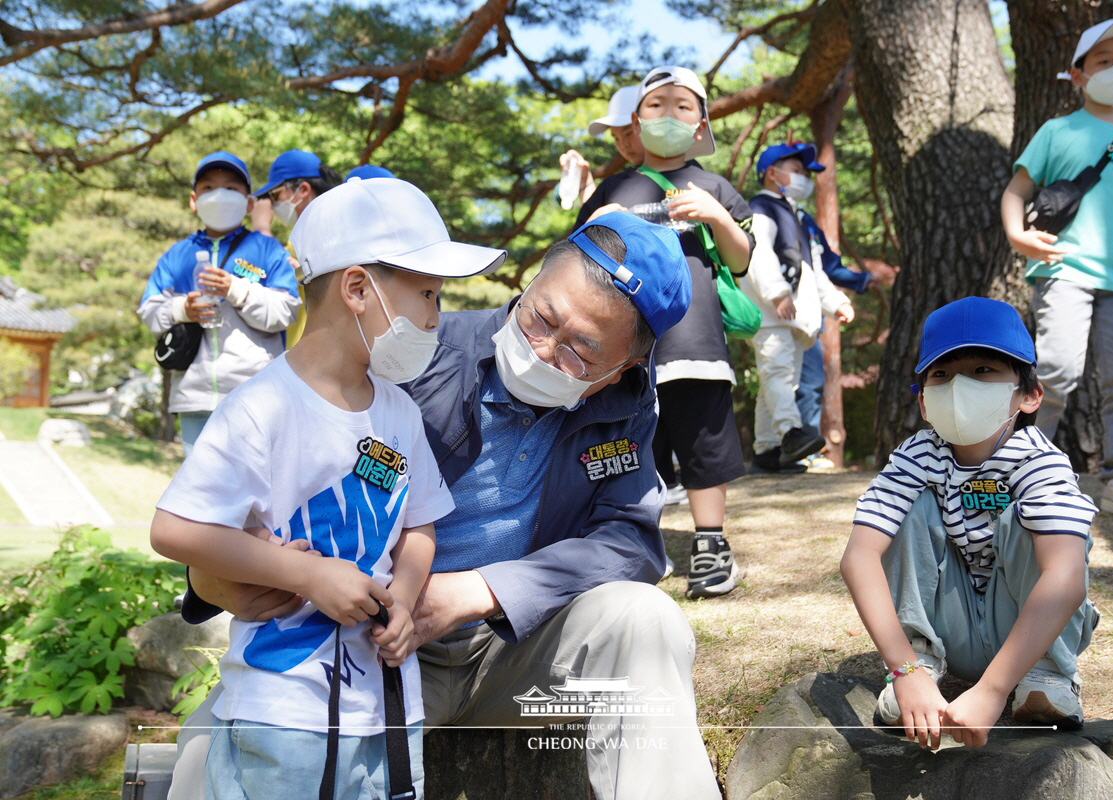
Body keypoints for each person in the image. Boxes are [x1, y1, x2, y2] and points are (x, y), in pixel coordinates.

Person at [175, 211, 722, 800]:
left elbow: (630, 542)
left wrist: (479, 590)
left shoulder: (628, 405)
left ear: (621, 372)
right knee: (207, 751)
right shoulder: (411, 351)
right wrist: (213, 582)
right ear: (531, 284)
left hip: (518, 660)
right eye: (541, 317)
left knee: (646, 619)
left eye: (580, 355)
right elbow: (266, 498)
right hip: (373, 647)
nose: (542, 352)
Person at [151, 177, 505, 800]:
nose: (434, 315)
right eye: (426, 292)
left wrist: (406, 594)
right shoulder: (262, 407)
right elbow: (177, 530)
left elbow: (418, 525)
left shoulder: (398, 411)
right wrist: (309, 577)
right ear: (357, 288)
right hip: (281, 709)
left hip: (387, 706)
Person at [840, 296, 1099, 751]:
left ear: (1029, 395)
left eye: (983, 370)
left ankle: (1047, 675)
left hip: (1026, 630)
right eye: (941, 374)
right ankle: (923, 662)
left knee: (1035, 522)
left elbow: (1066, 575)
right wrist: (904, 670)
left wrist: (993, 690)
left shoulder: (1039, 462)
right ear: (923, 400)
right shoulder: (917, 456)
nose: (959, 386)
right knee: (903, 506)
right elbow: (860, 556)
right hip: (951, 626)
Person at [576, 65, 754, 600]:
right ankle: (633, 543)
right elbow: (579, 259)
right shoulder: (617, 186)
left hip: (698, 344)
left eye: (683, 106)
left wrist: (718, 217)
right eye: (656, 106)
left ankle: (710, 544)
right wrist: (597, 222)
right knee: (633, 449)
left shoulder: (715, 185)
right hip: (629, 349)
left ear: (701, 125)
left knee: (705, 447)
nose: (669, 115)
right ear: (635, 119)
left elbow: (741, 261)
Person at [1000, 15, 1113, 521]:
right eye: (1104, 61)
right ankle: (1024, 473)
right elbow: (1016, 191)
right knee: (1056, 370)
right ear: (1078, 75)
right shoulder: (1056, 131)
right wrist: (1018, 235)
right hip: (1063, 271)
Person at [137, 151, 300, 454]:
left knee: (255, 494)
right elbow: (149, 311)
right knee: (199, 495)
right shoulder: (177, 254)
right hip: (193, 397)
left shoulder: (267, 250)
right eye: (209, 188)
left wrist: (236, 289)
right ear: (193, 200)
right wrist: (182, 309)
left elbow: (285, 312)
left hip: (256, 395)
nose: (219, 195)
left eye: (231, 188)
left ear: (250, 203)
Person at [746, 141, 857, 472]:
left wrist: (834, 301)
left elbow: (813, 271)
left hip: (796, 317)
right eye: (796, 171)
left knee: (778, 381)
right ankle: (792, 434)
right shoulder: (761, 209)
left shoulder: (795, 216)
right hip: (771, 313)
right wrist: (778, 292)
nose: (803, 178)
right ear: (772, 173)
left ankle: (766, 450)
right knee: (777, 374)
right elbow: (758, 253)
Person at [251, 149, 345, 348]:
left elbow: (286, 272)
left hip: (317, 355)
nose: (271, 204)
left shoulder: (323, 231)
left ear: (302, 190)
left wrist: (261, 229)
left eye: (274, 195)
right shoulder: (304, 234)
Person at [559, 85, 645, 207]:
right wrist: (584, 180)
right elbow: (597, 220)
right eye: (615, 137)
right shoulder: (614, 186)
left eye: (628, 133)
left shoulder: (681, 175)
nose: (623, 144)